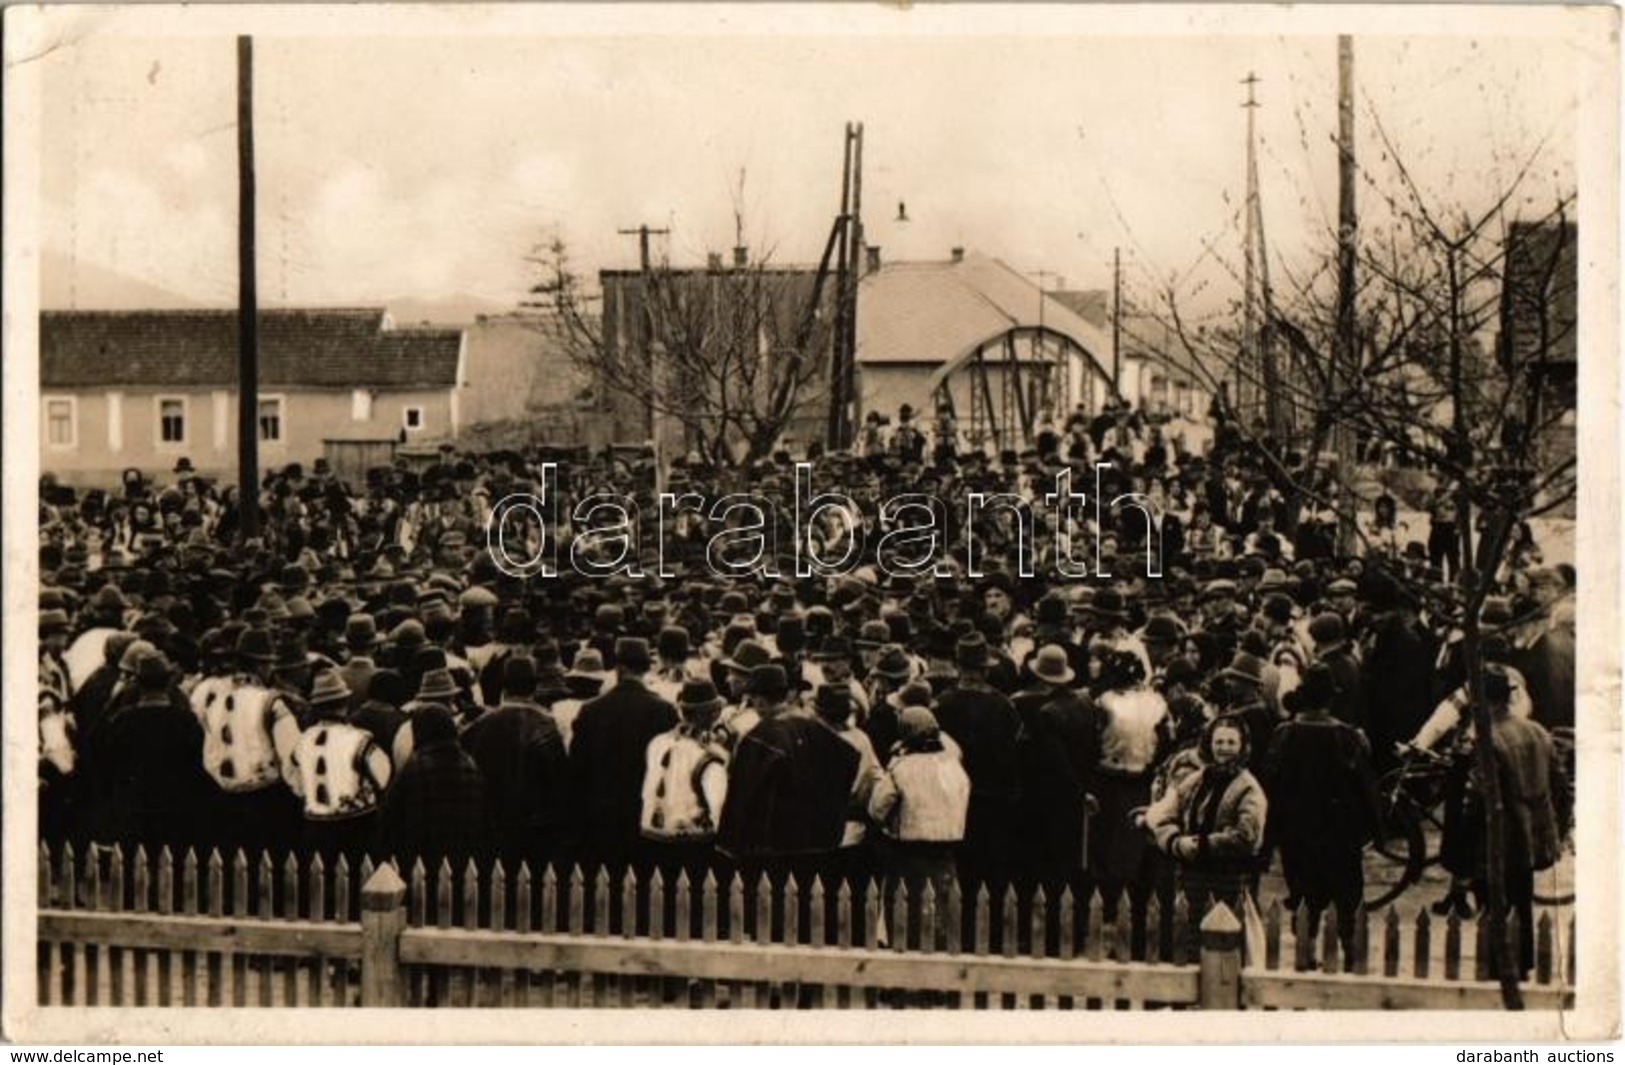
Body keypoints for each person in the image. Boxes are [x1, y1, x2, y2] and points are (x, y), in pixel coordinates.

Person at [1263, 662, 1381, 960]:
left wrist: (1271, 836)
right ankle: (1352, 955)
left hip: (1297, 836)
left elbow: (1270, 787)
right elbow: (1367, 790)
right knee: (1347, 899)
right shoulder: (1348, 737)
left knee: (1303, 898)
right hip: (1340, 838)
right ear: (1331, 699)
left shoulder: (1284, 734)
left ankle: (1306, 954)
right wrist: (1374, 832)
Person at [568, 638, 679, 875]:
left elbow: (576, 770)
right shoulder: (665, 711)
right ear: (647, 668)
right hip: (645, 816)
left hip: (600, 814)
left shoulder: (591, 710)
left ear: (619, 668)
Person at [1143, 716, 1268, 920]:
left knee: (1221, 938)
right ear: (1210, 745)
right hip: (1191, 876)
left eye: (1231, 742)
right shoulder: (1196, 780)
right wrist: (1176, 842)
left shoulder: (1248, 788)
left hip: (1228, 879)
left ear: (1242, 747)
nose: (1224, 748)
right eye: (1218, 742)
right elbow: (1166, 816)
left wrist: (1201, 845)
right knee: (1188, 934)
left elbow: (1247, 836)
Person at [868, 705, 970, 950]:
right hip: (947, 851)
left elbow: (877, 808)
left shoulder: (901, 767)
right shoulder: (953, 765)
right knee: (942, 911)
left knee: (907, 912)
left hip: (908, 852)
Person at [461, 655, 574, 874]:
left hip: (490, 829)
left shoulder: (478, 727)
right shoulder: (549, 725)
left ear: (504, 686)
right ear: (535, 686)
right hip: (536, 832)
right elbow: (560, 785)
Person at [288, 669, 393, 870]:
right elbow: (383, 775)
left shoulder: (304, 740)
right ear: (344, 704)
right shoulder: (359, 739)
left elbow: (293, 778)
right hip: (356, 827)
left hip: (314, 826)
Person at [376, 704, 488, 873]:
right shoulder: (470, 766)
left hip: (421, 862)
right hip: (463, 863)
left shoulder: (414, 767)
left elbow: (389, 819)